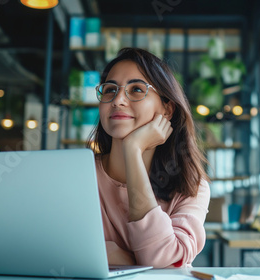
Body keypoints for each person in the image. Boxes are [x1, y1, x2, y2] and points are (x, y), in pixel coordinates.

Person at [87, 48, 211, 268]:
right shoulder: (78, 174)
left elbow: (163, 260)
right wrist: (134, 259)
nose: (118, 100)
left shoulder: (191, 187)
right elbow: (47, 245)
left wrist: (133, 150)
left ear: (167, 110)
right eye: (109, 90)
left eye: (136, 89)